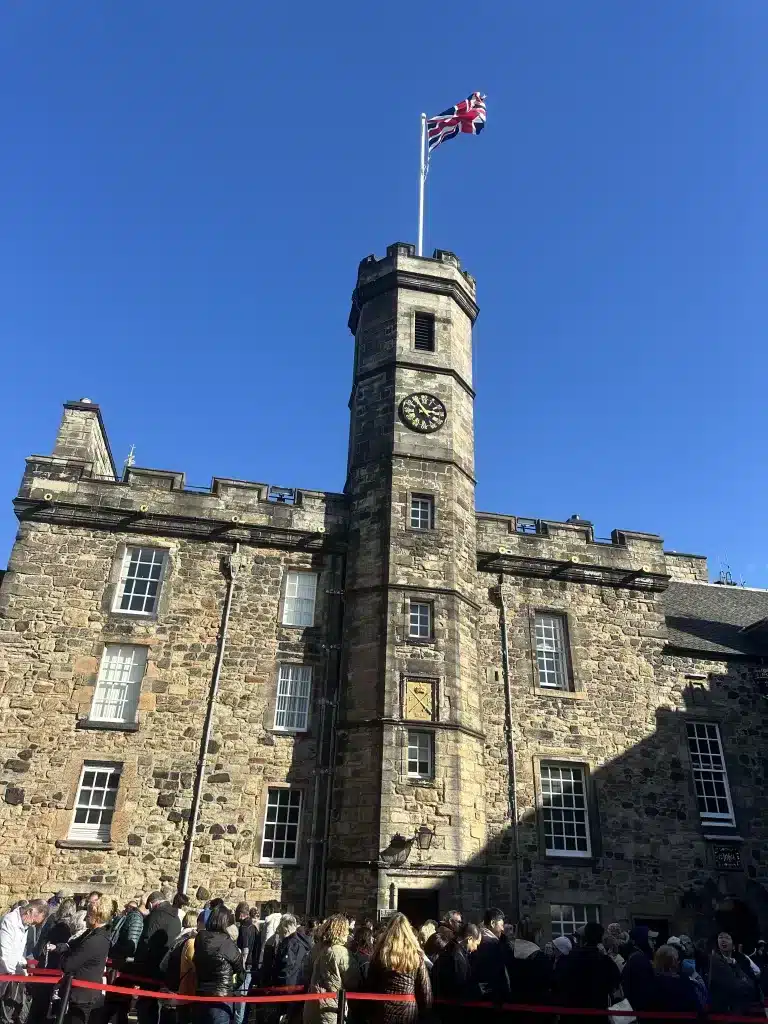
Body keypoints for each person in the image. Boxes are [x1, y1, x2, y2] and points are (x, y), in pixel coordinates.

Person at [55, 894, 114, 1024]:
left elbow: (69, 965)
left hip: (83, 996)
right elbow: (74, 945)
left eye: (88, 914)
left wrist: (62, 952)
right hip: (82, 993)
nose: (85, 918)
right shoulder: (93, 934)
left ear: (96, 917)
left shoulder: (95, 939)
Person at [365, 913, 432, 1024]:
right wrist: (425, 1013)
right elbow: (425, 991)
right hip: (408, 1011)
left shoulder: (380, 955)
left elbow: (371, 985)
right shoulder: (416, 957)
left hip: (383, 1010)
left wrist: (370, 1012)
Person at [555, 921, 620, 1024]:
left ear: (583, 939)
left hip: (571, 1016)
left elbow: (557, 985)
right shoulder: (606, 962)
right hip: (597, 1016)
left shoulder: (567, 959)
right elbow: (615, 990)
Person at [134, 892, 182, 1024]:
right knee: (163, 1008)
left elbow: (145, 942)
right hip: (167, 968)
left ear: (150, 904)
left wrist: (137, 964)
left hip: (151, 968)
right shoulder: (176, 918)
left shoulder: (154, 916)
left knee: (147, 1006)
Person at [303, 914, 360, 1024]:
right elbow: (353, 981)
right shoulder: (341, 952)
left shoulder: (316, 948)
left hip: (312, 1004)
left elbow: (306, 973)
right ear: (342, 931)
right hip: (331, 1009)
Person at [0, 899, 48, 1024]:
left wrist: (24, 964)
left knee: (12, 1006)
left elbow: (19, 950)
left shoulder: (26, 924)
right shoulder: (10, 921)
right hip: (4, 971)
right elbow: (4, 951)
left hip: (12, 971)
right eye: (34, 921)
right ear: (30, 911)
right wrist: (11, 975)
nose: (32, 925)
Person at [193, 905, 244, 1024]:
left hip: (201, 995)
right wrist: (233, 986)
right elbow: (240, 971)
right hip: (221, 999)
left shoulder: (200, 938)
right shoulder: (228, 943)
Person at [431, 921, 481, 1023]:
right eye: (476, 944)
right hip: (453, 1011)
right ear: (470, 939)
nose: (476, 948)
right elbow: (459, 987)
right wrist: (478, 990)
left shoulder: (450, 949)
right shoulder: (457, 957)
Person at [708, 930, 764, 1016]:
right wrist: (742, 981)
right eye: (720, 937)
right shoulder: (714, 960)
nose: (723, 940)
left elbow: (751, 984)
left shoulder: (742, 960)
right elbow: (732, 985)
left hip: (743, 1008)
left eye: (727, 938)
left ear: (733, 944)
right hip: (722, 1010)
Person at [645, 944, 700, 1018]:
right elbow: (695, 1007)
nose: (679, 962)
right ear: (670, 963)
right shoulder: (683, 982)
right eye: (677, 960)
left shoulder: (650, 983)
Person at [473, 908, 509, 1001]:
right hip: (491, 996)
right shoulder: (491, 944)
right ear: (493, 923)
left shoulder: (479, 939)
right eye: (501, 925)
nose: (503, 928)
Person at [232, 903, 258, 1024]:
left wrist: (240, 968)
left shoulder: (244, 928)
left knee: (240, 1000)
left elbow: (245, 950)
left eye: (237, 913)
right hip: (252, 966)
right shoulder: (253, 927)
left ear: (241, 914)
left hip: (245, 966)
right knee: (244, 998)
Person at [620, 926, 656, 1011]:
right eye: (651, 939)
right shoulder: (639, 959)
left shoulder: (638, 956)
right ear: (642, 940)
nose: (654, 942)